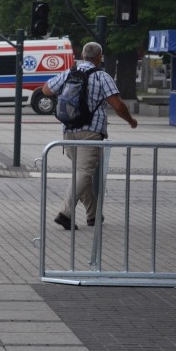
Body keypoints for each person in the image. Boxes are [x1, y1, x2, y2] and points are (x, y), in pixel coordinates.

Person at [42, 41, 138, 230]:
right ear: (100, 57)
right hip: (91, 132)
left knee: (81, 174)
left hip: (69, 131)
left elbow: (46, 90)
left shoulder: (70, 73)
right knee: (84, 173)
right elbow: (117, 104)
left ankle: (93, 215)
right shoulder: (102, 76)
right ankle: (65, 213)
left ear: (84, 55)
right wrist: (131, 120)